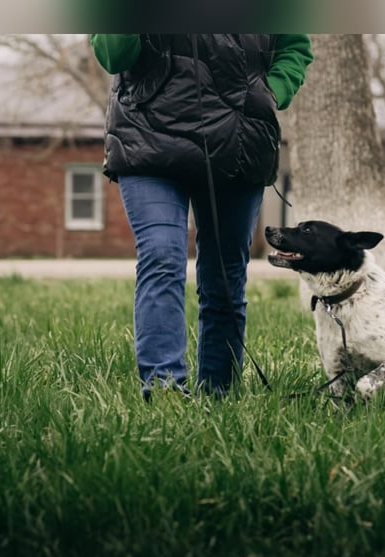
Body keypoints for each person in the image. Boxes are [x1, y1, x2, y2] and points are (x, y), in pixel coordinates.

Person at [89, 34, 313, 399]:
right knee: (161, 256)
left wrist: (268, 91)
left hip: (238, 141)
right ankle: (165, 393)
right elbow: (113, 56)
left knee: (225, 277)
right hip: (147, 141)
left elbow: (295, 48)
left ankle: (218, 394)